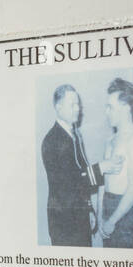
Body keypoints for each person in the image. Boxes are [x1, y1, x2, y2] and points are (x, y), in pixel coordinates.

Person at [40, 84, 102, 246]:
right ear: (59, 107)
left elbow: (81, 173)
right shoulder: (52, 141)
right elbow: (68, 184)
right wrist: (101, 169)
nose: (78, 109)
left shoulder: (75, 136)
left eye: (78, 104)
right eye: (72, 105)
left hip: (79, 218)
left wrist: (89, 209)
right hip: (64, 223)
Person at [97, 79, 133, 247]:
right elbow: (102, 183)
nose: (106, 112)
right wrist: (99, 215)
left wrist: (112, 221)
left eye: (110, 107)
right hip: (108, 209)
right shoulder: (110, 140)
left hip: (126, 213)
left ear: (126, 108)